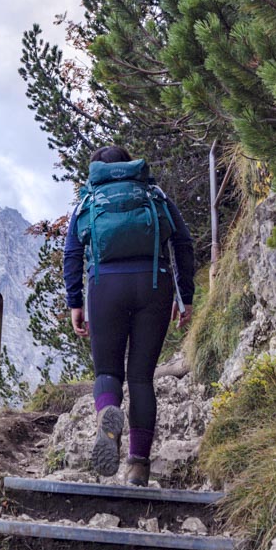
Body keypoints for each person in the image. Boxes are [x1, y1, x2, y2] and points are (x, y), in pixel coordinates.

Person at [63, 145, 195, 485]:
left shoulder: (89, 200)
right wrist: (186, 297)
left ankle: (108, 411)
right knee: (141, 378)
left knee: (107, 371)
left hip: (106, 286)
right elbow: (182, 243)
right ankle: (138, 466)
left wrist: (75, 302)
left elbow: (72, 253)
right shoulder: (154, 193)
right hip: (154, 283)